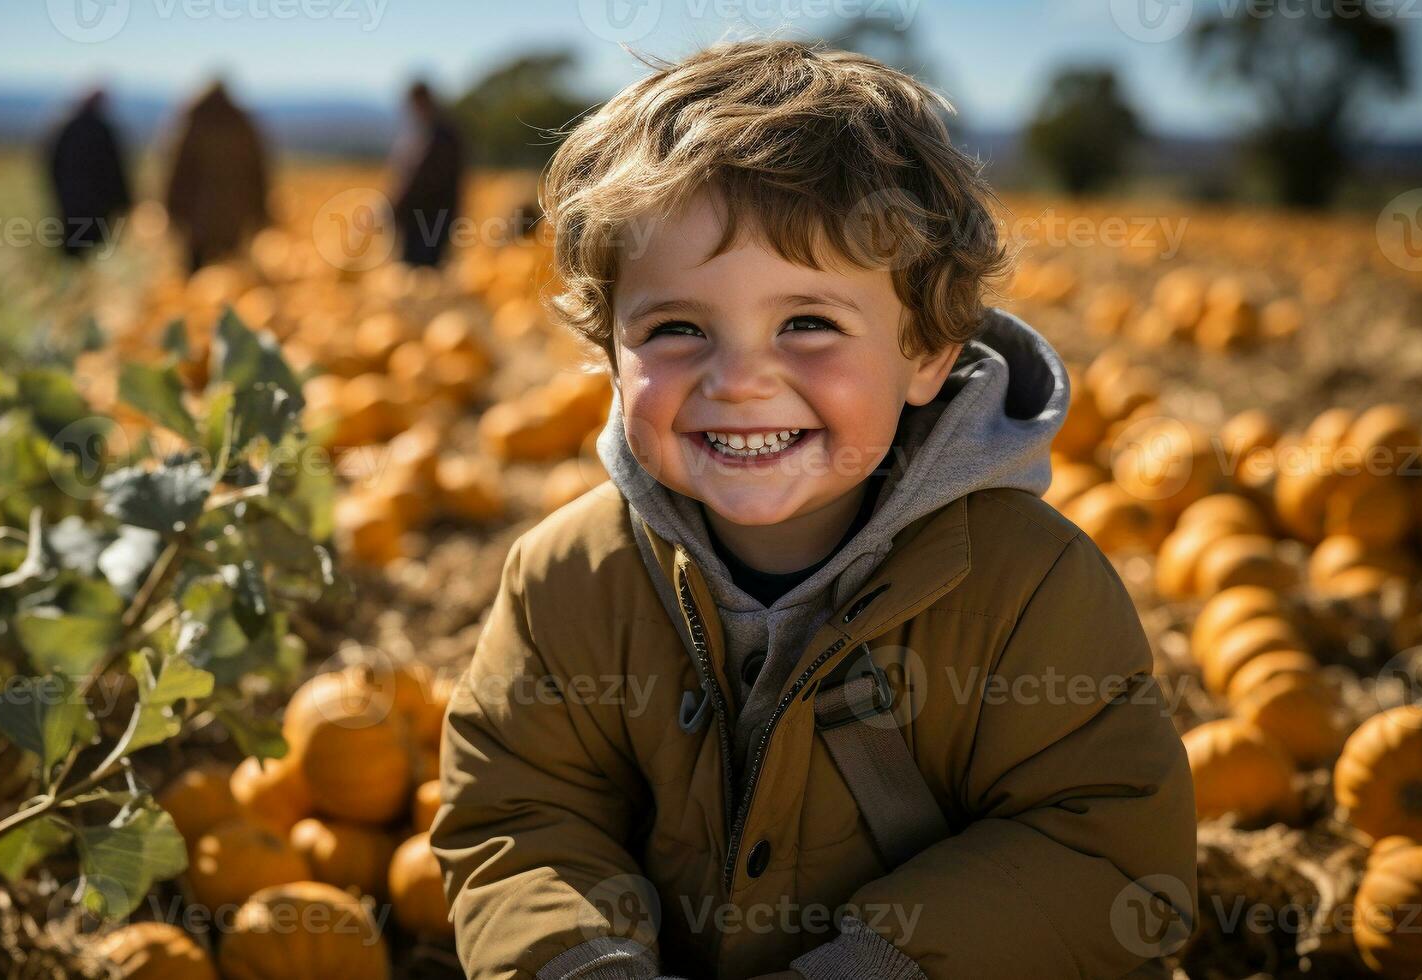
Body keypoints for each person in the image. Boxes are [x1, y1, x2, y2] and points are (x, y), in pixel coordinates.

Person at [432, 40, 1197, 980]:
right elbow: (521, 819)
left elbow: (1105, 850)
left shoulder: (1030, 587)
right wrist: (585, 962)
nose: (740, 380)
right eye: (677, 328)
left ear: (923, 350)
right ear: (609, 349)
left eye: (806, 323)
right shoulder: (565, 579)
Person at [164, 80, 271, 272]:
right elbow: (257, 171)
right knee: (230, 272)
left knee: (197, 277)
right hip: (235, 215)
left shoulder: (192, 123)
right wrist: (260, 211)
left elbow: (177, 172)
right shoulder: (242, 124)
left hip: (197, 217)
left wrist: (173, 209)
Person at [45, 88, 132, 258]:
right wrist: (123, 200)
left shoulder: (66, 127)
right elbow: (116, 169)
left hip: (74, 203)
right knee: (94, 252)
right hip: (93, 206)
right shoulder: (100, 129)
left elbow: (51, 164)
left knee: (78, 252)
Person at [386, 80, 465, 267]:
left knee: (421, 270)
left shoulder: (438, 136)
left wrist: (397, 204)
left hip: (428, 217)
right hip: (428, 215)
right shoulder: (433, 132)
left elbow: (421, 179)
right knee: (424, 269)